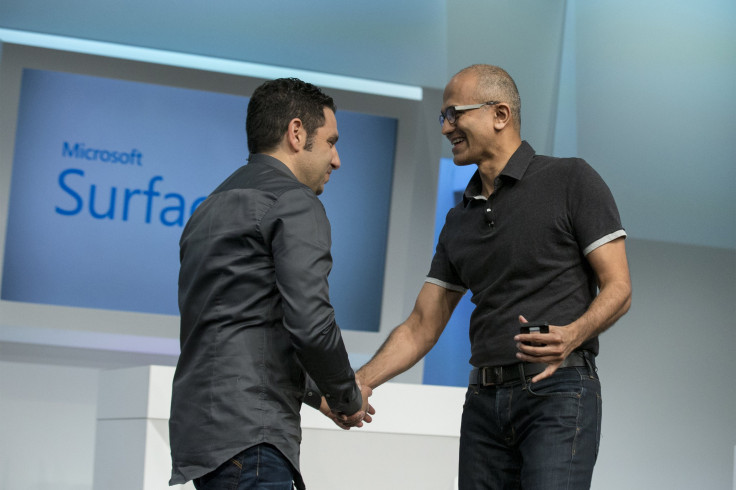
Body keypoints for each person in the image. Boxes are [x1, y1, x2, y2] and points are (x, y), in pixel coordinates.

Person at [355, 65, 632, 489]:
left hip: (558, 393)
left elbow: (619, 287)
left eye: (455, 114)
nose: (446, 127)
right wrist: (359, 382)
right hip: (483, 404)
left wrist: (573, 334)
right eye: (442, 117)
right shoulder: (457, 220)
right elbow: (421, 326)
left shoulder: (571, 179)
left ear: (500, 114)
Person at [169, 77, 372, 490]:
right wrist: (348, 396)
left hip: (203, 439)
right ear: (296, 133)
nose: (337, 160)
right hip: (254, 439)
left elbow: (246, 325)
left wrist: (320, 396)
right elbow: (311, 326)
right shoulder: (295, 202)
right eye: (331, 141)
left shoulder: (206, 209)